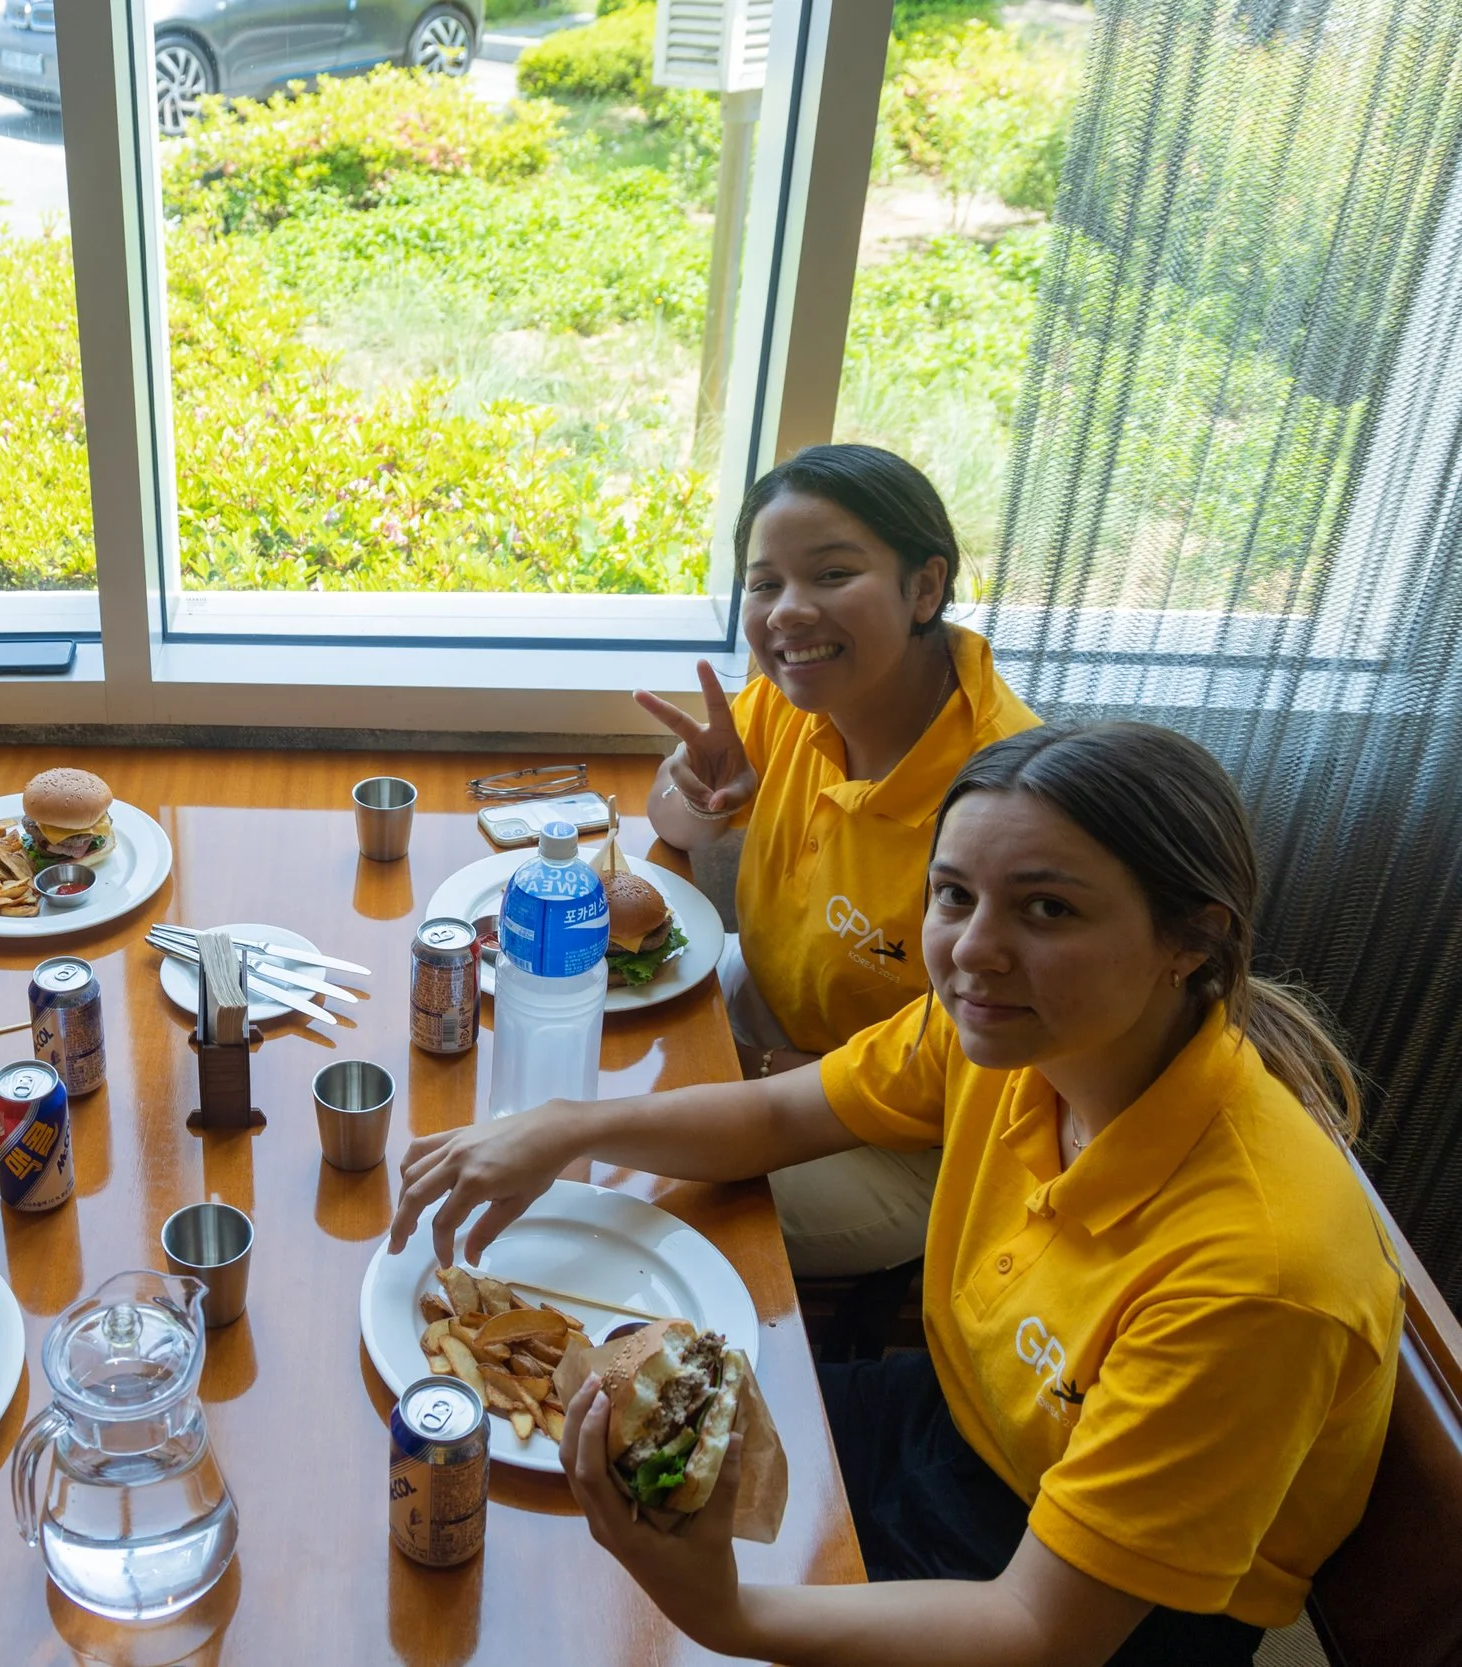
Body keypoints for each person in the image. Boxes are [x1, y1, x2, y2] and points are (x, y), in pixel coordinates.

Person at [392, 722, 1400, 1667]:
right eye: (954, 894)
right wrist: (565, 1125)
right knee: (551, 1498)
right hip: (954, 1419)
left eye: (1048, 908)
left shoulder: (1256, 1276)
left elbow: (1041, 1629)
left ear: (1193, 939)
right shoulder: (1016, 1034)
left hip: (1096, 1605)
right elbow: (780, 1114)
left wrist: (727, 1615)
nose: (972, 950)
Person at [635, 444, 1039, 1277]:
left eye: (832, 574)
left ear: (924, 587)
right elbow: (670, 818)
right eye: (765, 584)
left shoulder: (1007, 800)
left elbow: (986, 1053)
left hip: (901, 1133)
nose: (788, 611)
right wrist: (695, 795)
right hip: (765, 1018)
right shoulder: (800, 694)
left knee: (639, 1196)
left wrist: (771, 1070)